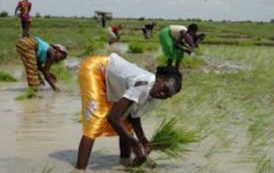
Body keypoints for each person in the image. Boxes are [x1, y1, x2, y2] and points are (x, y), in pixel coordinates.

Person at [75, 53, 182, 171]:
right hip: (97, 69)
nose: (162, 95)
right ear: (159, 79)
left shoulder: (155, 98)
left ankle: (124, 162)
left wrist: (142, 140)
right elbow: (113, 117)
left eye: (167, 95)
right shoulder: (143, 85)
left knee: (127, 125)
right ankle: (80, 169)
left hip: (113, 82)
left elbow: (133, 116)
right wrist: (135, 144)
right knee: (95, 122)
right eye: (164, 89)